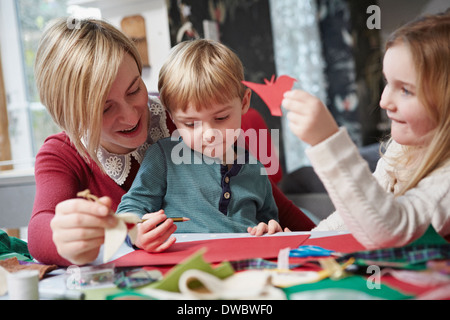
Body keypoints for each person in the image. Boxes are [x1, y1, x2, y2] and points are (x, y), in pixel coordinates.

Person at [29, 18, 314, 266]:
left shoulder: (184, 111)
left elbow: (267, 198)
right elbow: (40, 233)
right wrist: (69, 238)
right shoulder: (61, 154)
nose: (130, 116)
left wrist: (317, 237)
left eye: (134, 89)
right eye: (105, 108)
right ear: (69, 116)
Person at [282, 11, 450, 249]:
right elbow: (356, 215)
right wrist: (303, 244)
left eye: (406, 90)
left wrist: (327, 141)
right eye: (387, 83)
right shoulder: (401, 149)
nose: (384, 102)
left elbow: (391, 231)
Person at [117, 39, 282, 246]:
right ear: (172, 116)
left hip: (248, 258)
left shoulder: (256, 167)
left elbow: (270, 221)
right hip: (186, 261)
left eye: (221, 118)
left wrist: (270, 228)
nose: (209, 135)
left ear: (244, 102)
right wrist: (136, 233)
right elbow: (130, 209)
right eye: (191, 124)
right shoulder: (164, 157)